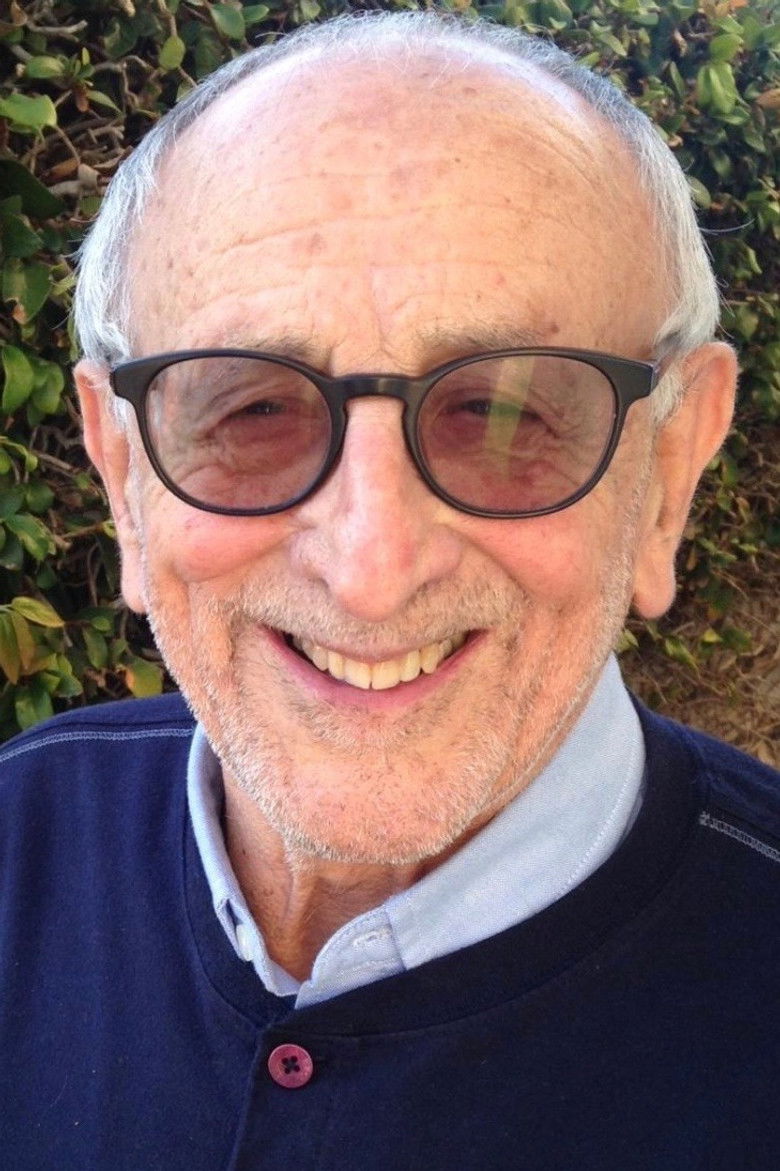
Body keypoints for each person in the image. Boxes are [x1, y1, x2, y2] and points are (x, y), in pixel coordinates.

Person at [1, 11, 777, 1169]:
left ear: (669, 468)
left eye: (503, 413)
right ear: (123, 474)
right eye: (253, 409)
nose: (370, 571)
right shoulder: (18, 831)